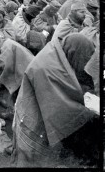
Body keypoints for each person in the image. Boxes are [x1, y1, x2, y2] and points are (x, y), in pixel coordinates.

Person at [11, 33, 98, 167]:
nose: (84, 65)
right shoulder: (48, 68)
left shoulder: (56, 53)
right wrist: (88, 112)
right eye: (84, 60)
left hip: (27, 114)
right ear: (75, 52)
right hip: (33, 127)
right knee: (31, 161)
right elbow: (58, 108)